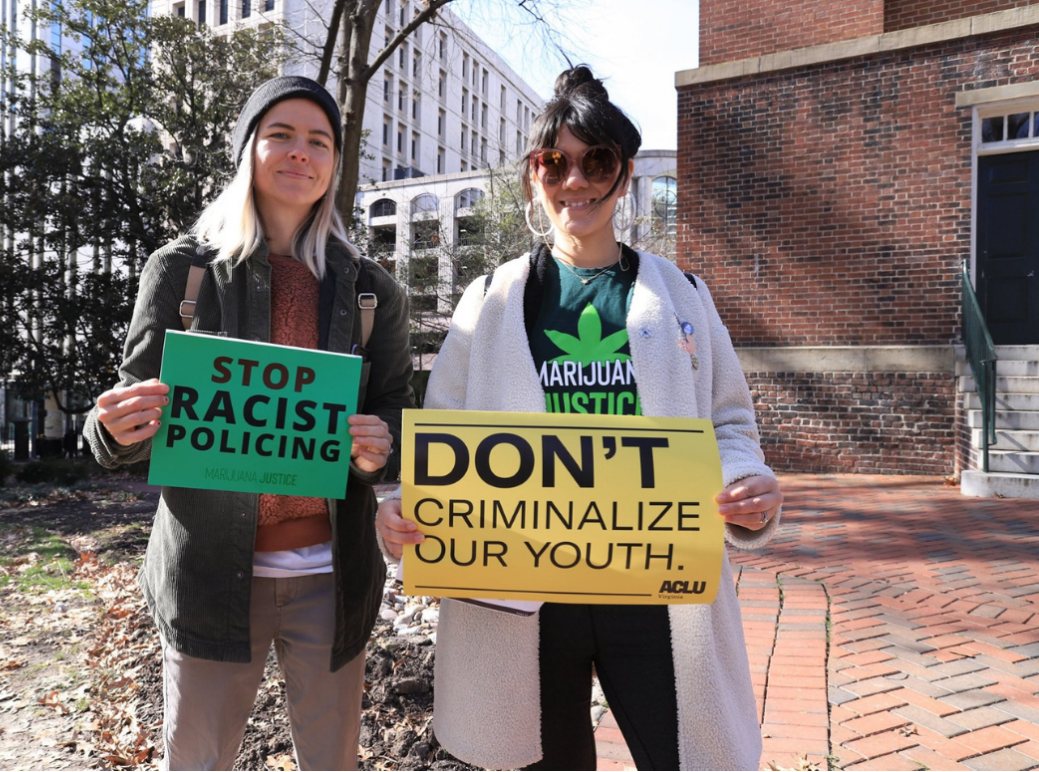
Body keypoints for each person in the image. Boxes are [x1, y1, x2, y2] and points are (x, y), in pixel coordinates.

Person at [376, 65, 783, 771]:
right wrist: (405, 509)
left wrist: (748, 484)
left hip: (655, 588)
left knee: (685, 756)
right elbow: (442, 442)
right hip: (525, 599)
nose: (576, 181)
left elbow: (730, 426)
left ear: (622, 175)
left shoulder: (683, 296)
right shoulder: (491, 299)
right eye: (555, 162)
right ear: (535, 175)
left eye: (596, 161)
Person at [84, 76, 414, 771]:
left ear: (334, 164)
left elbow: (394, 417)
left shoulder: (372, 293)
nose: (301, 153)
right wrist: (114, 426)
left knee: (332, 761)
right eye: (281, 135)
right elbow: (121, 418)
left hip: (332, 574)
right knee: (198, 761)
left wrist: (378, 449)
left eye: (319, 141)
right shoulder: (182, 271)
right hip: (208, 574)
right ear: (248, 151)